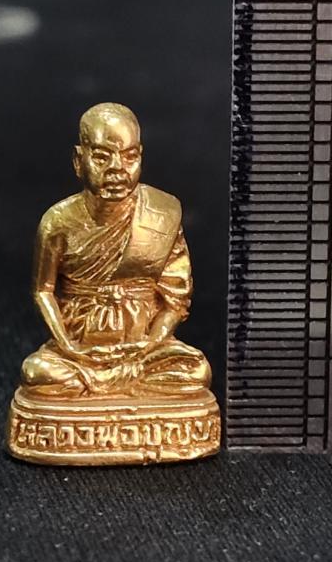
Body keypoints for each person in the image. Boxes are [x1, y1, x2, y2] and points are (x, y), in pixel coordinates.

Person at [20, 102, 211, 397]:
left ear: (140, 156)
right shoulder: (57, 222)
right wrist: (68, 346)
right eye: (101, 157)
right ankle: (102, 381)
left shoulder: (161, 214)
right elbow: (43, 291)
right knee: (37, 373)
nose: (117, 169)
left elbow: (175, 299)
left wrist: (150, 345)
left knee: (197, 372)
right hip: (81, 348)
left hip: (144, 345)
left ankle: (105, 383)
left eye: (130, 156)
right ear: (78, 160)